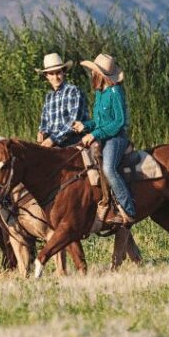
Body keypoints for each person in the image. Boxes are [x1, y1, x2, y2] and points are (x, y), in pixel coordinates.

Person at [71, 53, 136, 224]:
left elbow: (119, 122)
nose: (91, 75)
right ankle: (103, 204)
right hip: (103, 136)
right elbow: (100, 122)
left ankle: (128, 209)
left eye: (93, 72)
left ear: (100, 75)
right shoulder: (100, 93)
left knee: (108, 168)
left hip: (116, 138)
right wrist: (85, 126)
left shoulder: (115, 92)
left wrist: (94, 134)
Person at [36, 52, 88, 148]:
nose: (55, 77)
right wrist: (42, 132)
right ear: (46, 76)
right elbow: (44, 122)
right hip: (53, 144)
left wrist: (53, 139)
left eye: (58, 72)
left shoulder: (73, 91)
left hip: (73, 143)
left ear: (63, 72)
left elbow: (74, 122)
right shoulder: (49, 97)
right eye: (51, 74)